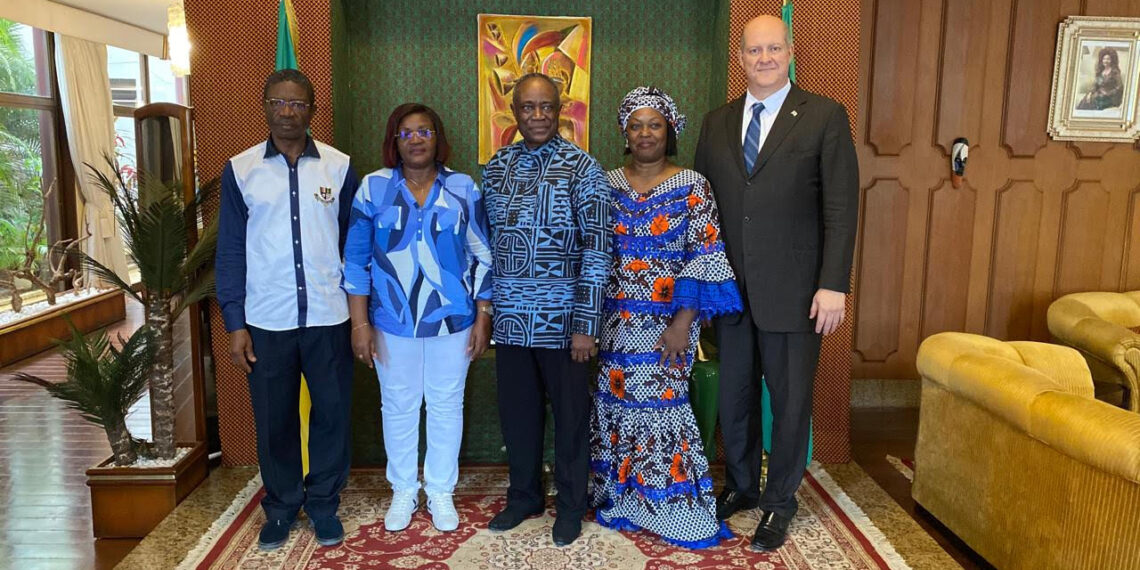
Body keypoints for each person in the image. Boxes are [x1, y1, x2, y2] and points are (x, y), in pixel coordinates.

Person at [693, 15, 859, 551]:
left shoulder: (823, 117)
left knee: (789, 404)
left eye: (773, 49)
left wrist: (834, 283)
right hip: (730, 294)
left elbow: (841, 206)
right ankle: (741, 486)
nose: (763, 58)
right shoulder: (715, 123)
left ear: (789, 52)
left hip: (797, 293)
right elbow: (701, 212)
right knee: (736, 399)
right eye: (753, 51)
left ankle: (779, 502)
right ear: (740, 58)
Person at [589, 86, 741, 548]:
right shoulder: (604, 182)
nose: (644, 133)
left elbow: (706, 255)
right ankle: (623, 500)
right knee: (614, 407)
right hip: (613, 322)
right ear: (624, 132)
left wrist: (682, 322)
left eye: (654, 124)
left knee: (662, 410)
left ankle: (675, 512)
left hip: (667, 323)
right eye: (635, 125)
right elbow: (593, 251)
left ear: (670, 130)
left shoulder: (693, 185)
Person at [215, 69, 359, 550]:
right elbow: (232, 250)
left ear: (312, 110)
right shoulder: (241, 170)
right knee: (274, 419)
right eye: (279, 102)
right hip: (267, 320)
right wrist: (235, 322)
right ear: (266, 106)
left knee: (332, 416)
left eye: (298, 103)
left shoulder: (338, 168)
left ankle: (322, 505)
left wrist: (360, 315)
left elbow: (352, 247)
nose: (288, 111)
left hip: (328, 317)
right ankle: (280, 508)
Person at [342, 103, 493, 533]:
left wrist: (484, 315)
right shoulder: (373, 189)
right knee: (399, 407)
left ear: (437, 138)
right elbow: (355, 263)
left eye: (424, 131)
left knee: (447, 405)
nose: (416, 139)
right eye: (406, 133)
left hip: (453, 321)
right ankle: (404, 490)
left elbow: (485, 255)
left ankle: (441, 492)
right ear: (395, 141)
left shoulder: (464, 188)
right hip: (391, 322)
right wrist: (359, 324)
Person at [482, 72, 611, 547]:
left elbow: (598, 250)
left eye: (546, 107)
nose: (536, 116)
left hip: (565, 327)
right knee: (518, 417)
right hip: (512, 322)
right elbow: (489, 248)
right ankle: (524, 497)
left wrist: (586, 325)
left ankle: (571, 505)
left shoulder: (584, 169)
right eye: (527, 107)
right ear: (513, 112)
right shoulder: (495, 169)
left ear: (561, 110)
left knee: (572, 419)